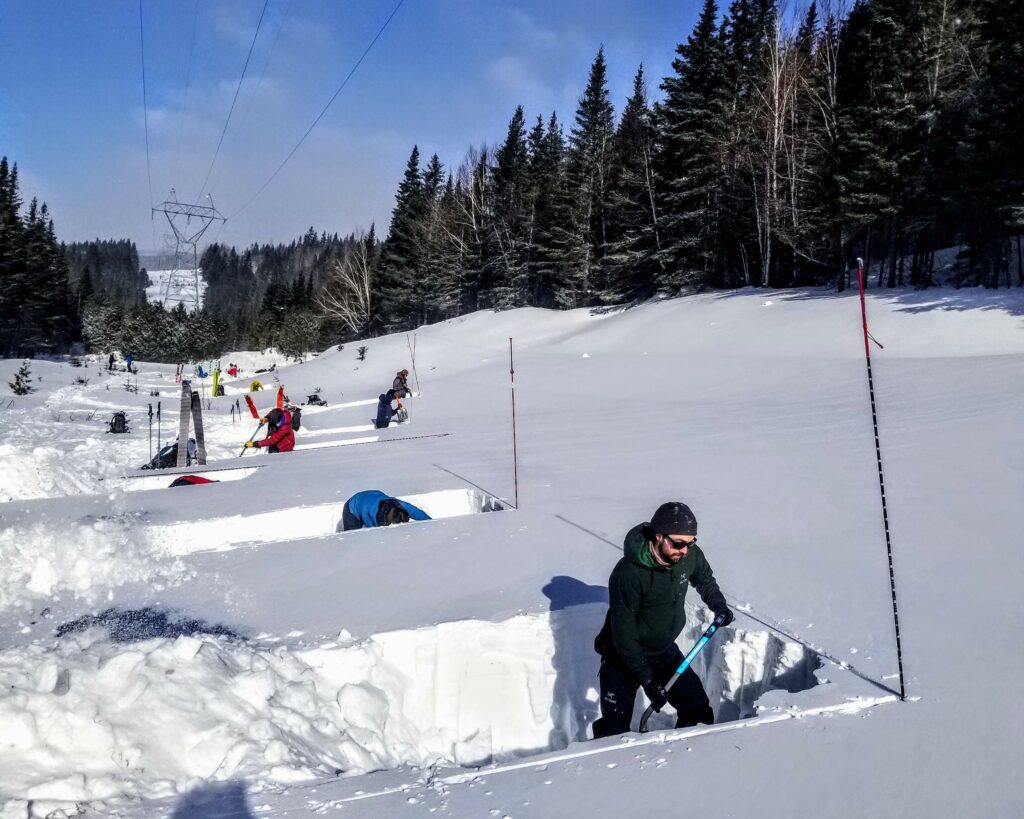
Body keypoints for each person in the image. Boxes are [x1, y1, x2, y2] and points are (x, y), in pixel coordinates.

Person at [591, 501, 734, 739]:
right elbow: (625, 636)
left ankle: (686, 758)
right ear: (659, 536)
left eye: (690, 543)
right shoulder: (627, 574)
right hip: (622, 656)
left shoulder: (687, 556)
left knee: (698, 711)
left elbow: (704, 578)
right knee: (613, 730)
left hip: (663, 651)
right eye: (678, 543)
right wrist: (648, 681)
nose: (685, 550)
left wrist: (718, 604)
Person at [338, 490, 431, 532]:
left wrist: (431, 524)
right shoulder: (373, 519)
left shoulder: (401, 505)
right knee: (353, 536)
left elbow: (418, 513)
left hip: (373, 495)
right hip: (353, 507)